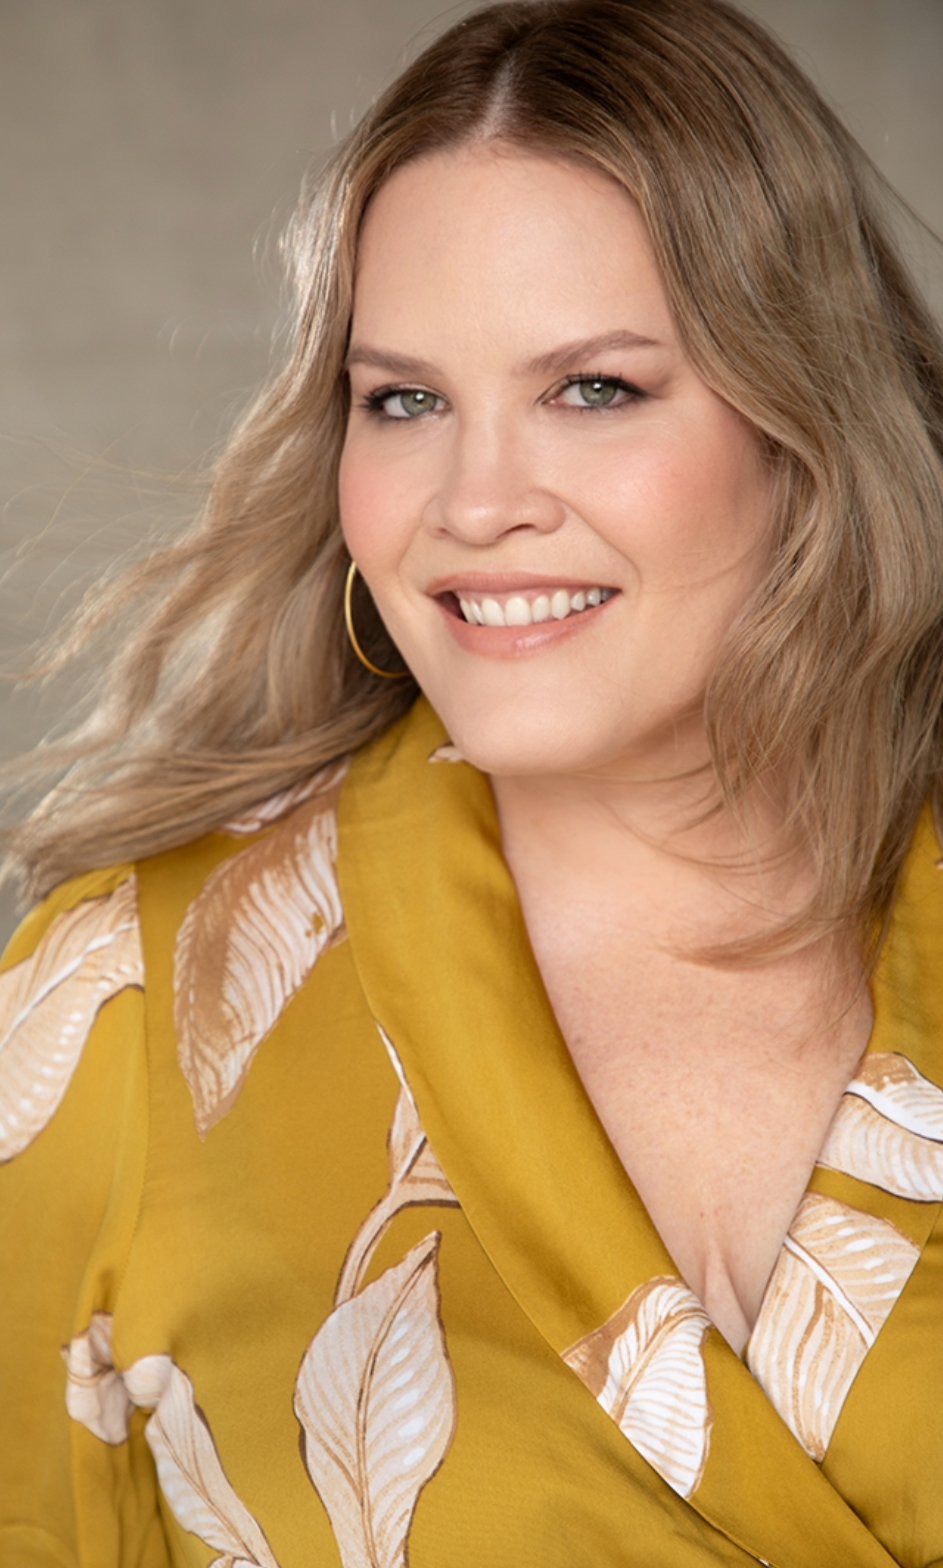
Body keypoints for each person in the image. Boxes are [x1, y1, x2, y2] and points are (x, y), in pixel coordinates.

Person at [2, 0, 942, 1561]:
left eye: (595, 389)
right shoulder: (122, 1007)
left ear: (806, 420)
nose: (479, 501)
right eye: (406, 401)